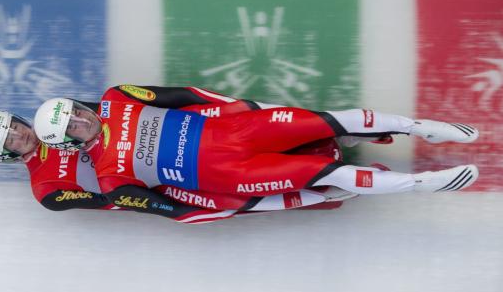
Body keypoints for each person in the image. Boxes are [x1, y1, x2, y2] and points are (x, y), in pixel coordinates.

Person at [33, 85, 479, 202]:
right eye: (72, 127)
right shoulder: (110, 178)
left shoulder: (116, 97)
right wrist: (236, 205)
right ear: (70, 144)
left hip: (240, 131)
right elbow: (172, 207)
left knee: (332, 119)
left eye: (75, 111)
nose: (80, 120)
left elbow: (183, 95)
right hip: (234, 175)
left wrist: (243, 107)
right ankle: (423, 184)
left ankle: (421, 126)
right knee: (330, 174)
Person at [0, 90, 357, 224]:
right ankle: (315, 194)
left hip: (161, 143)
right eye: (10, 139)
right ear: (6, 155)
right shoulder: (45, 190)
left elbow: (103, 113)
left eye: (13, 125)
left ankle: (327, 129)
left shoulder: (54, 118)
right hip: (154, 180)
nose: (19, 133)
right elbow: (109, 198)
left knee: (234, 121)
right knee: (225, 199)